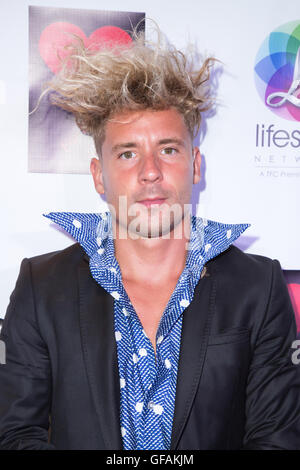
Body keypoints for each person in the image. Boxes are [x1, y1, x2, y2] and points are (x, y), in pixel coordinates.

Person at [0, 26, 299, 451]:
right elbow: (15, 435)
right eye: (127, 153)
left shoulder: (259, 286)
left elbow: (276, 439)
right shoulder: (41, 285)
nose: (150, 171)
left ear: (195, 166)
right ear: (98, 176)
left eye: (168, 149)